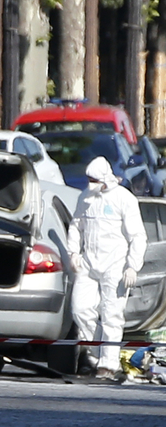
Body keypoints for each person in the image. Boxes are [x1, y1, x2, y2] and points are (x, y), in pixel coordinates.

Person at [67, 156, 147, 380]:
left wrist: (132, 266)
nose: (90, 183)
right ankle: (96, 351)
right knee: (80, 310)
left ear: (105, 179)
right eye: (88, 179)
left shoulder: (124, 199)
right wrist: (73, 252)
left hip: (116, 265)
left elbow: (137, 236)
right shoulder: (85, 198)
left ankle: (108, 365)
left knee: (111, 315)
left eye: (94, 180)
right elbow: (76, 226)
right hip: (89, 264)